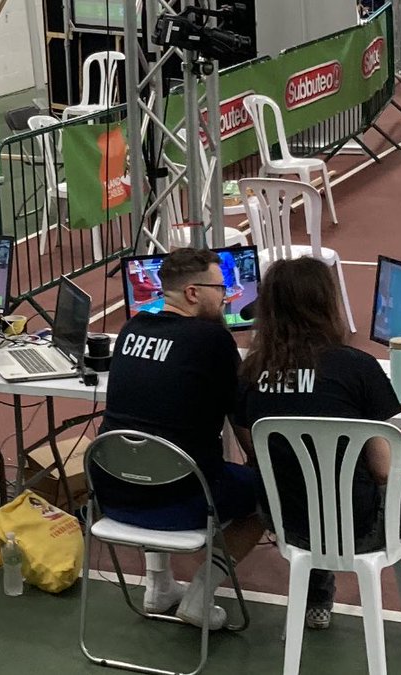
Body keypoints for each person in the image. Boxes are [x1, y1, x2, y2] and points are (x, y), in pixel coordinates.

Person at [234, 257, 401, 657]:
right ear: (325, 304)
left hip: (286, 523)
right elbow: (383, 468)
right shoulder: (355, 367)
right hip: (360, 527)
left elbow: (254, 446)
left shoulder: (249, 373)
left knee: (309, 483)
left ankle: (317, 604)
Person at [95, 247, 265, 629]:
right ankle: (200, 597)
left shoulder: (130, 330)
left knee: (154, 458)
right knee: (268, 492)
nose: (226, 296)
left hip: (113, 495)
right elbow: (241, 419)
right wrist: (261, 465)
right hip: (181, 501)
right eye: (220, 289)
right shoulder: (213, 342)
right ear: (192, 293)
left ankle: (157, 586)